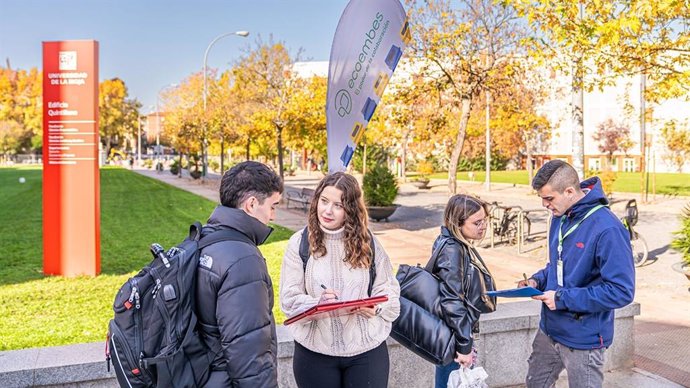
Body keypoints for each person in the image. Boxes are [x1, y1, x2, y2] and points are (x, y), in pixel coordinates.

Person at [518, 160, 635, 388]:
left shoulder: (608, 228)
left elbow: (621, 291)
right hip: (550, 329)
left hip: (584, 338)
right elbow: (560, 265)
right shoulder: (560, 215)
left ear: (570, 191)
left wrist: (562, 299)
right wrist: (537, 280)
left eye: (549, 198)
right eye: (541, 199)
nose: (544, 205)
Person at [280, 172, 400, 388]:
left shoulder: (368, 242)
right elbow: (288, 301)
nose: (327, 210)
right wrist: (317, 304)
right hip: (314, 353)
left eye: (338, 205)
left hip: (367, 352)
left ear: (351, 210)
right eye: (324, 201)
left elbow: (390, 293)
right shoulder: (299, 243)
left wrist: (376, 307)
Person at [194, 161, 283, 387]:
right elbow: (248, 353)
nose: (272, 216)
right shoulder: (244, 261)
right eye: (273, 206)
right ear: (252, 204)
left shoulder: (204, 239)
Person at [429, 194, 495, 388]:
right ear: (458, 223)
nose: (483, 226)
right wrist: (464, 345)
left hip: (455, 334)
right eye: (477, 222)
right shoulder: (452, 249)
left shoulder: (455, 244)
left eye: (485, 220)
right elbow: (452, 301)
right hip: (454, 338)